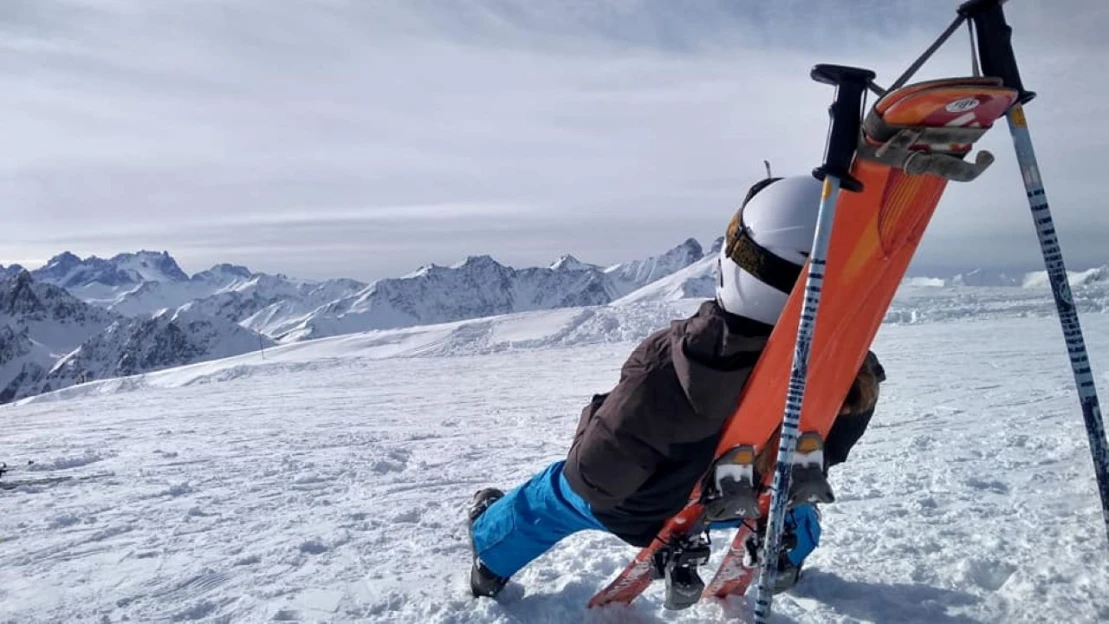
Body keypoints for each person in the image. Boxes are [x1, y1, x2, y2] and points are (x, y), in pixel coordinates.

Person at [465, 173, 886, 599]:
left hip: (649, 509)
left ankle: (491, 551)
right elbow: (829, 452)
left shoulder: (675, 363)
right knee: (798, 509)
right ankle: (784, 556)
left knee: (550, 493)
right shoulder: (853, 373)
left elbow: (594, 478)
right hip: (757, 500)